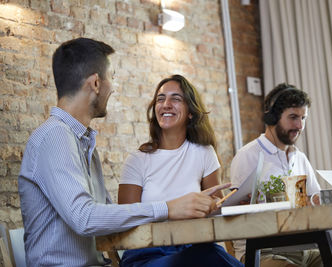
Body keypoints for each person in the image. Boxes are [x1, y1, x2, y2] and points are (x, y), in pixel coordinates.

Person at [18, 38, 229, 266]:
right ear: (96, 83)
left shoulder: (82, 142)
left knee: (208, 256)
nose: (113, 87)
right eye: (111, 77)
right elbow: (84, 218)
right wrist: (168, 208)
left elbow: (109, 215)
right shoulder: (55, 136)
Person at [117, 74, 243, 267]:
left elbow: (217, 210)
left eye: (175, 99)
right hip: (147, 256)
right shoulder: (137, 160)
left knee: (208, 253)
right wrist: (171, 210)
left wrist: (226, 203)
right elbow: (125, 221)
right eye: (161, 99)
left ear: (190, 112)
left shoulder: (203, 153)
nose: (166, 104)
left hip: (194, 249)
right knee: (208, 257)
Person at [230, 83, 332, 266]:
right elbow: (238, 217)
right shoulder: (248, 156)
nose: (299, 125)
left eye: (303, 118)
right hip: (263, 252)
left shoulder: (300, 158)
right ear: (272, 117)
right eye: (293, 117)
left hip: (306, 249)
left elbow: (315, 200)